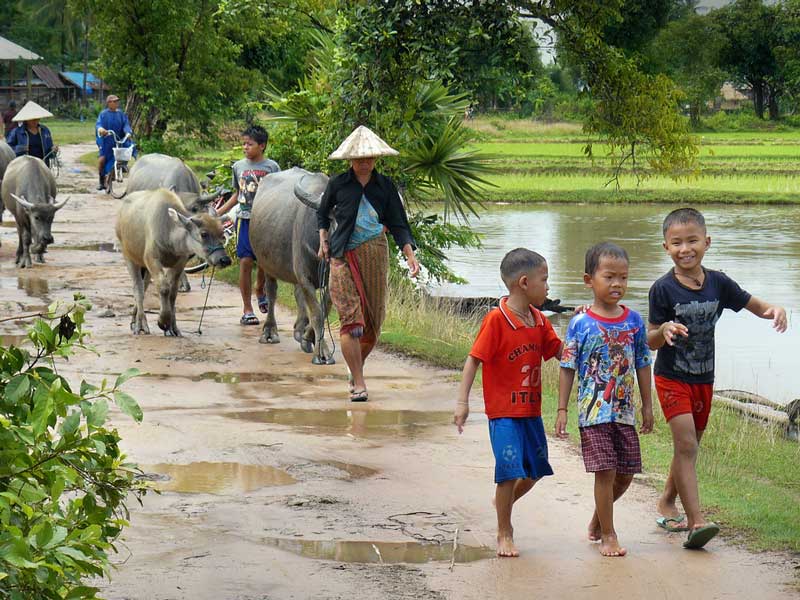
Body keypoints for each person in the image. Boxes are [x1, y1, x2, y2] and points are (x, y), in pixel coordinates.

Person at [648, 207, 787, 549]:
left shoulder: (719, 283)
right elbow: (648, 338)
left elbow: (753, 304)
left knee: (689, 447)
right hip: (671, 377)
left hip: (703, 378)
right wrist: (663, 329)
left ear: (706, 242)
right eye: (676, 243)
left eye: (692, 240)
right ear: (666, 247)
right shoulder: (662, 289)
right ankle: (697, 522)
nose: (685, 249)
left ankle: (667, 500)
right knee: (685, 445)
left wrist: (775, 310)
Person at [454, 248, 562, 558]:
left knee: (535, 471)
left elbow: (559, 351)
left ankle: (503, 502)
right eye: (545, 280)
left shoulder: (540, 320)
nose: (548, 287)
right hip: (503, 413)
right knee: (508, 471)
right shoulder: (496, 320)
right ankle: (505, 531)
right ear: (524, 283)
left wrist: (586, 328)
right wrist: (463, 402)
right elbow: (474, 360)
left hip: (531, 411)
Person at [557, 242, 654, 558]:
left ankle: (599, 520)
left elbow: (642, 361)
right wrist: (561, 408)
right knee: (606, 471)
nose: (617, 284)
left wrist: (648, 405)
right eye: (609, 277)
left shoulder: (634, 321)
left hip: (625, 412)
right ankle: (609, 535)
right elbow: (567, 365)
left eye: (623, 278)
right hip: (593, 412)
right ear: (589, 280)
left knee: (625, 474)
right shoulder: (580, 323)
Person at [318, 125, 420, 402]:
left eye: (369, 158)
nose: (364, 163)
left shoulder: (385, 187)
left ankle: (354, 369)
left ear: (376, 159)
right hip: (341, 256)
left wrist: (410, 255)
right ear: (350, 159)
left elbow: (399, 224)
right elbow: (322, 213)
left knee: (373, 326)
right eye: (359, 158)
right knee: (352, 322)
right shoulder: (338, 184)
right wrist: (323, 240)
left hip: (375, 253)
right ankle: (360, 383)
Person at [215, 125, 280, 325]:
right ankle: (247, 308)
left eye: (249, 144)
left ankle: (260, 289)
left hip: (266, 220)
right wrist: (218, 212)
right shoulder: (238, 167)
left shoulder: (273, 168)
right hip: (245, 219)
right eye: (243, 143)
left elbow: (278, 193)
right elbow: (237, 194)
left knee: (266, 263)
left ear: (262, 146)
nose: (245, 147)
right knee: (245, 261)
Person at [96, 94, 134, 191]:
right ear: (109, 103)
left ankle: (113, 174)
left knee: (122, 156)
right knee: (102, 160)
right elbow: (98, 124)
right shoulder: (103, 114)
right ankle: (101, 180)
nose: (117, 103)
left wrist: (128, 133)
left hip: (118, 141)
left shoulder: (121, 114)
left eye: (117, 101)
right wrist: (101, 129)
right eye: (114, 101)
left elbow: (126, 125)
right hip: (106, 142)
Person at [6, 101, 56, 166]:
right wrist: (19, 149)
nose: (35, 121)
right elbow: (8, 150)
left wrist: (53, 150)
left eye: (37, 118)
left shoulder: (45, 130)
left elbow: (50, 151)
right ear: (26, 119)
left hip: (43, 165)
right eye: (32, 119)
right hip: (24, 167)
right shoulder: (17, 132)